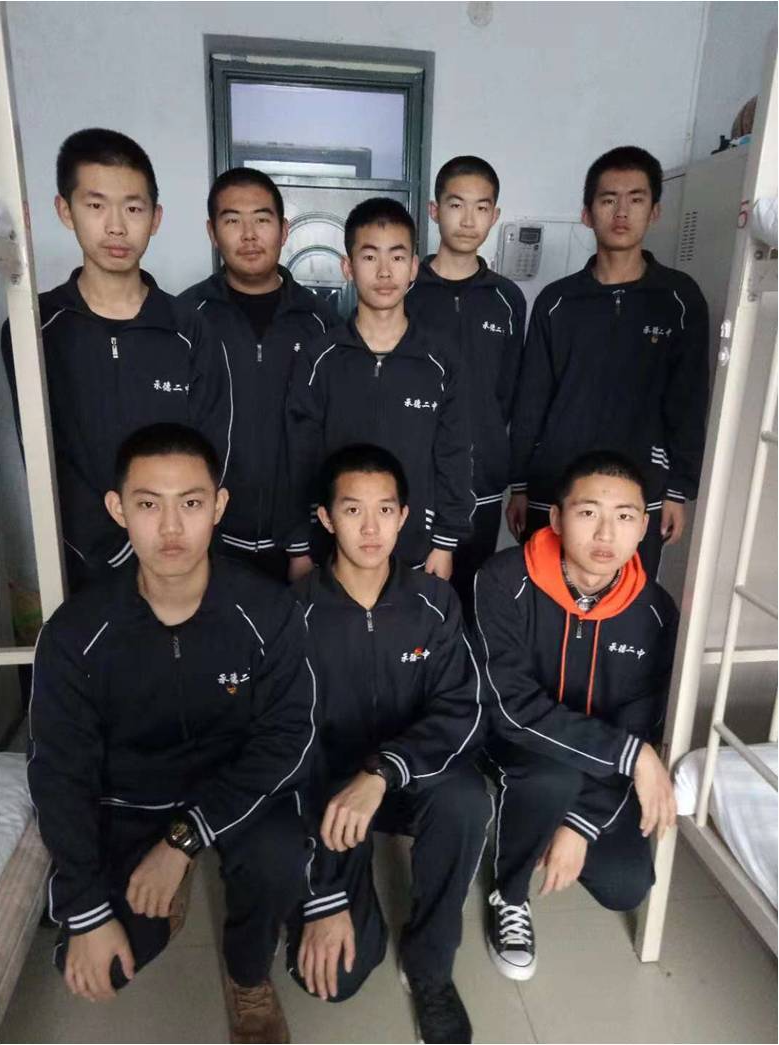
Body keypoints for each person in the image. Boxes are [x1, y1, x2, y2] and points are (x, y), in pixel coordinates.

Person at [27, 423, 317, 1043]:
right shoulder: (76, 633)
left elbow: (287, 737)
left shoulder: (268, 611)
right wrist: (84, 908)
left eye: (190, 503)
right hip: (133, 802)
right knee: (94, 960)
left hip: (237, 795)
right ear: (117, 509)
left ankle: (247, 976)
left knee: (278, 856)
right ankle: (159, 893)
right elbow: (60, 772)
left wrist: (182, 841)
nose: (170, 528)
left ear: (219, 506)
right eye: (147, 504)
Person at [287, 444, 490, 1044]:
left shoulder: (435, 602)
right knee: (337, 980)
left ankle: (430, 968)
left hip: (404, 777)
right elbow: (281, 749)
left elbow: (462, 711)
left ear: (404, 517)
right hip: (328, 792)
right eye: (353, 510)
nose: (371, 528)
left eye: (384, 510)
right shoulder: (291, 615)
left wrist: (382, 771)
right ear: (326, 518)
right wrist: (325, 894)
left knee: (466, 799)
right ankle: (328, 896)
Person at [475, 450, 678, 981]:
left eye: (625, 516)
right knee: (549, 776)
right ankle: (509, 893)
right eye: (588, 513)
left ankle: (552, 818)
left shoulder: (656, 612)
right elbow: (510, 707)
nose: (606, 533)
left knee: (625, 885)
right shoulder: (502, 580)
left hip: (598, 762)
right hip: (509, 741)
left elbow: (637, 727)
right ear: (558, 519)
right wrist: (635, 756)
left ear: (643, 528)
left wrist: (580, 824)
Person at [0, 128, 231, 592]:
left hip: (179, 559)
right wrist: (104, 548)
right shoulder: (34, 330)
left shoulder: (190, 330)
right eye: (95, 205)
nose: (116, 227)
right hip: (80, 566)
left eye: (133, 208)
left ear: (156, 217)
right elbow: (44, 458)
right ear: (65, 210)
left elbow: (212, 450)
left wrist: (175, 537)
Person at [507, 145, 709, 578]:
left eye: (635, 199)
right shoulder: (557, 301)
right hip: (555, 483)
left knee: (627, 599)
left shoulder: (678, 299)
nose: (621, 212)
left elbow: (689, 401)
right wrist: (520, 484)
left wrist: (678, 489)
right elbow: (531, 400)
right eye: (608, 200)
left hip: (641, 488)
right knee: (544, 593)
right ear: (587, 214)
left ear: (654, 211)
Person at [282, 197, 473, 583]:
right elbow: (298, 456)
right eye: (369, 257)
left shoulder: (440, 360)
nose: (385, 272)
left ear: (414, 267)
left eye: (397, 257)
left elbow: (454, 454)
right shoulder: (320, 358)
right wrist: (299, 545)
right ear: (348, 267)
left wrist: (445, 542)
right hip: (334, 551)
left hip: (417, 548)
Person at [179, 167, 336, 581]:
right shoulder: (185, 319)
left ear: (284, 230)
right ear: (213, 233)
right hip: (209, 539)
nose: (249, 235)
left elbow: (332, 436)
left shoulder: (323, 324)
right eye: (233, 221)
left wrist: (309, 539)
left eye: (262, 220)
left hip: (304, 545)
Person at [406, 155, 526, 620]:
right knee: (412, 606)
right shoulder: (406, 289)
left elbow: (508, 393)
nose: (469, 219)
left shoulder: (507, 299)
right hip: (415, 480)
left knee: (470, 601)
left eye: (482, 207)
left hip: (482, 486)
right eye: (457, 205)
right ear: (434, 210)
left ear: (495, 216)